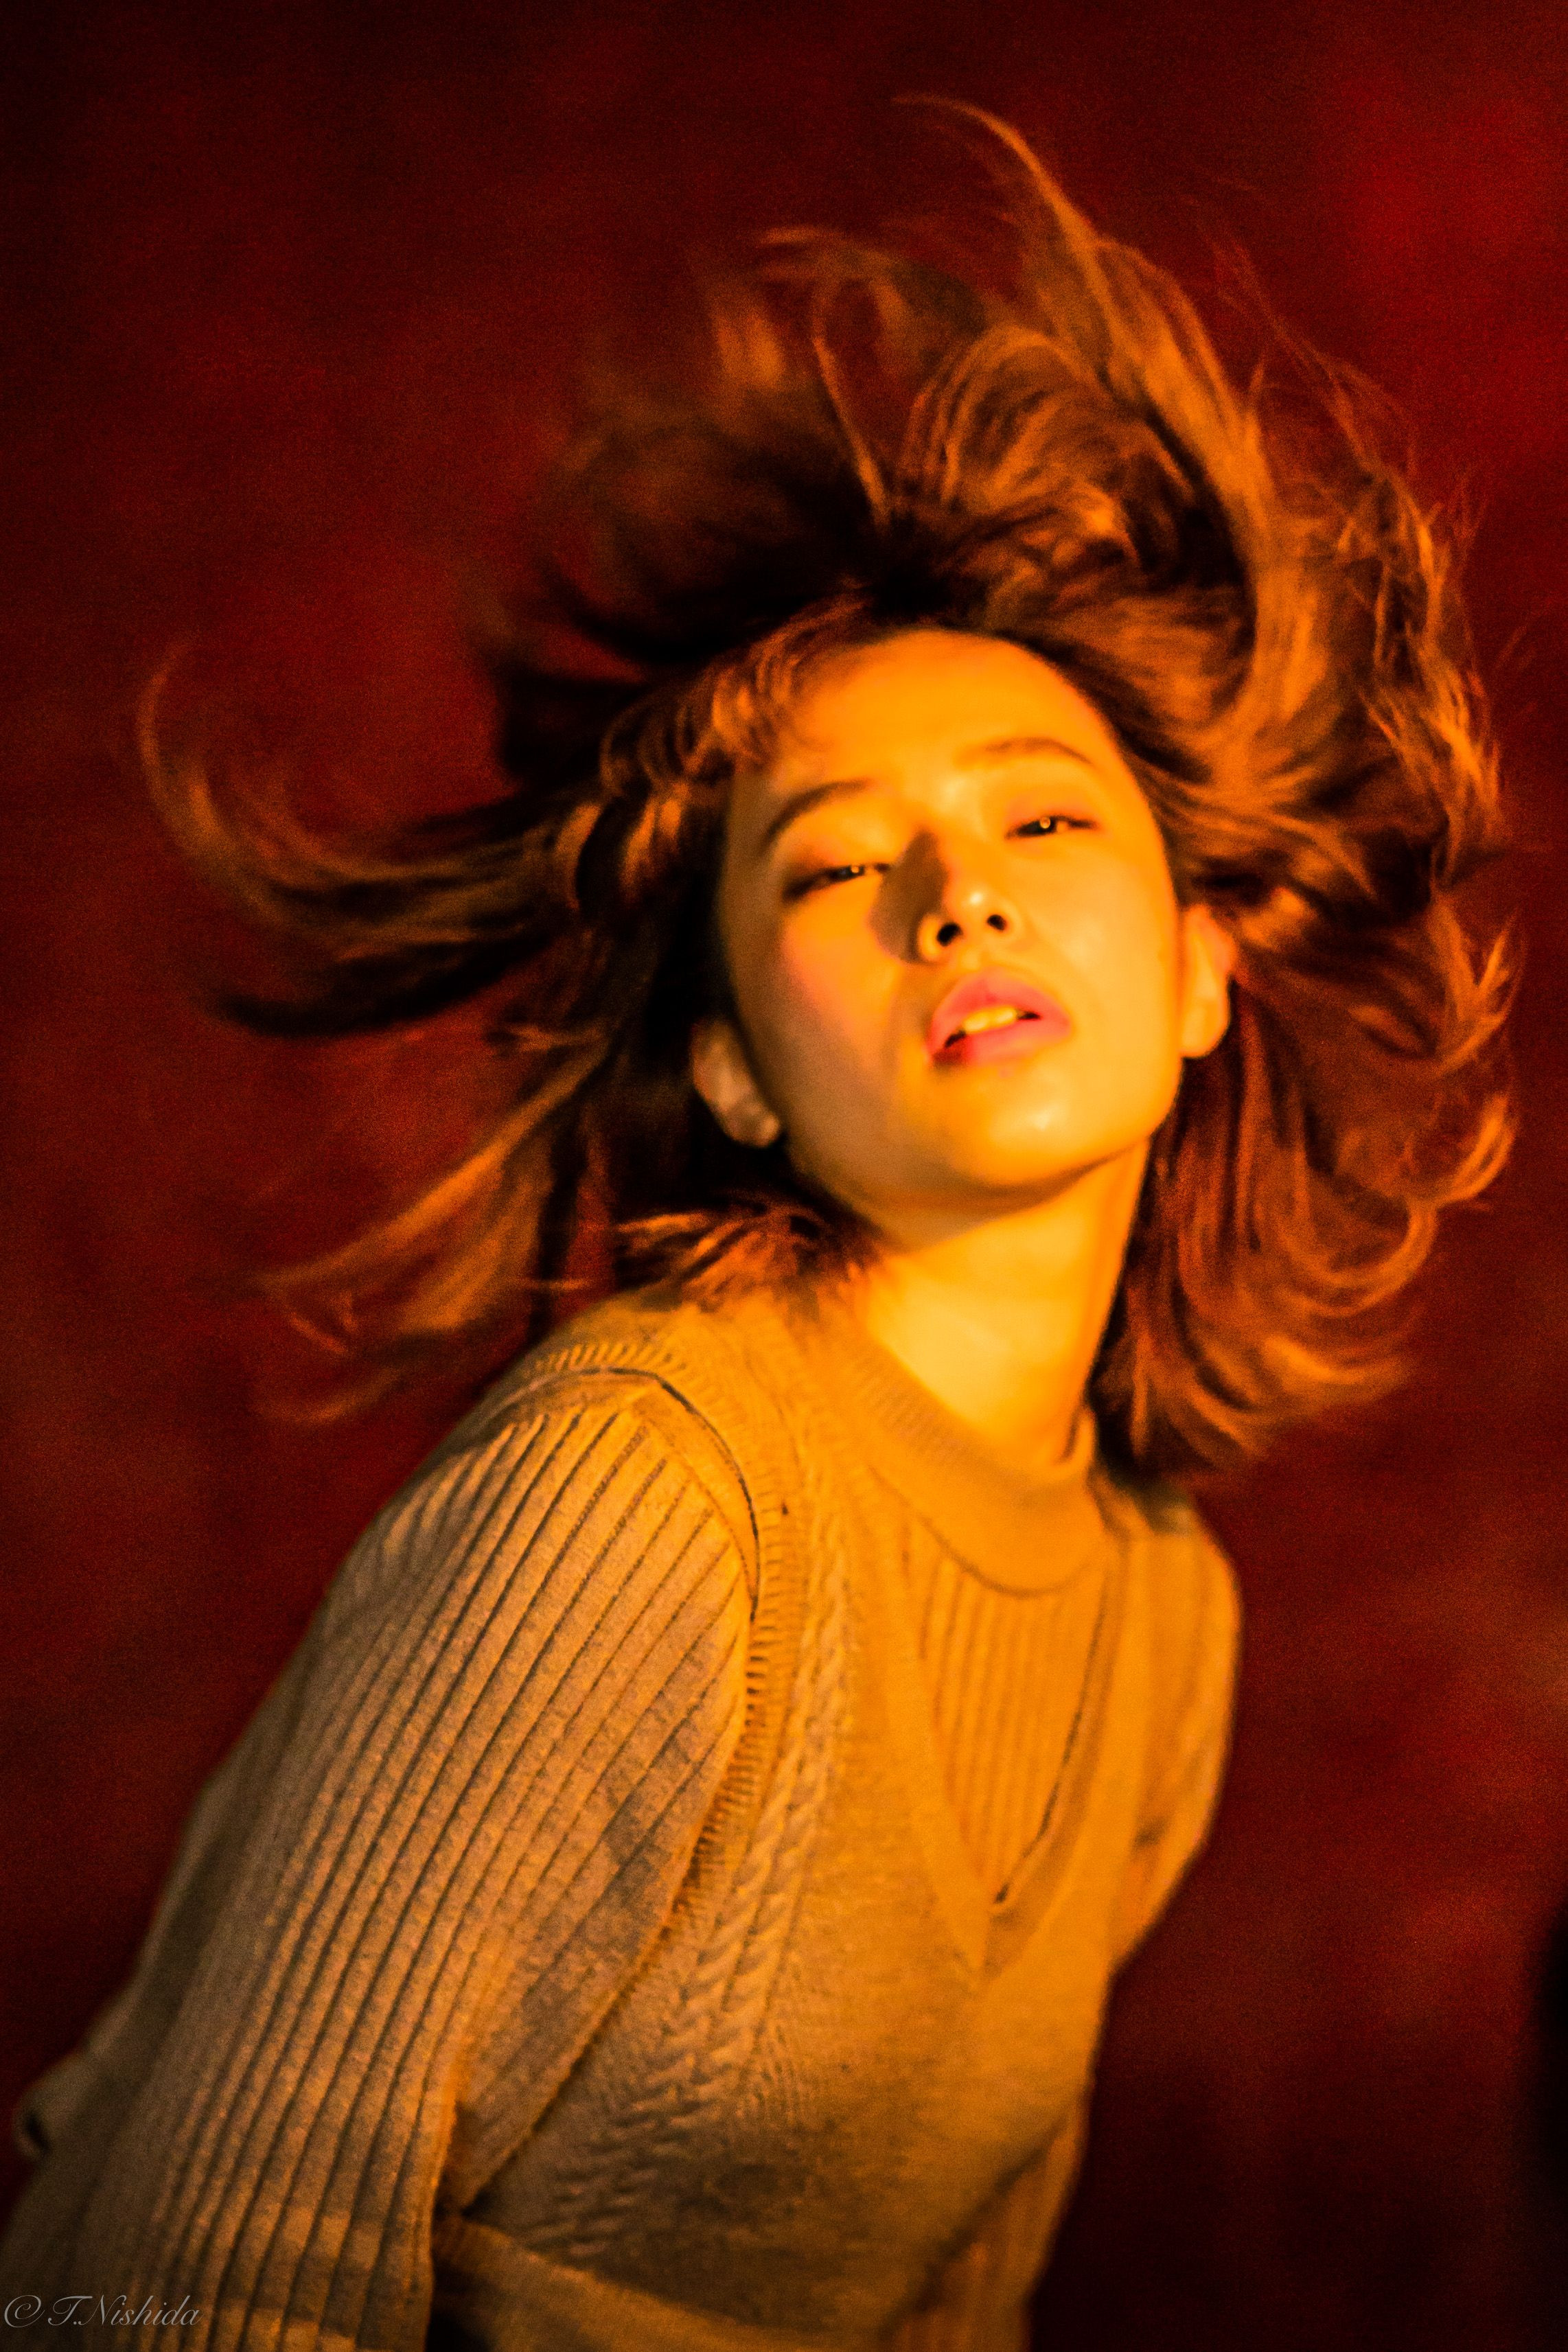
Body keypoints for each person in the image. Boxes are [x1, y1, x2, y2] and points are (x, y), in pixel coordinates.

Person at [0, 113, 1510, 2350]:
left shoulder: (1158, 1608)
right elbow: (179, 2287)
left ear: (1202, 968)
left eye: (1040, 817)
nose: (955, 891)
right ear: (731, 1068)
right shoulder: (631, 1502)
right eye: (833, 860)